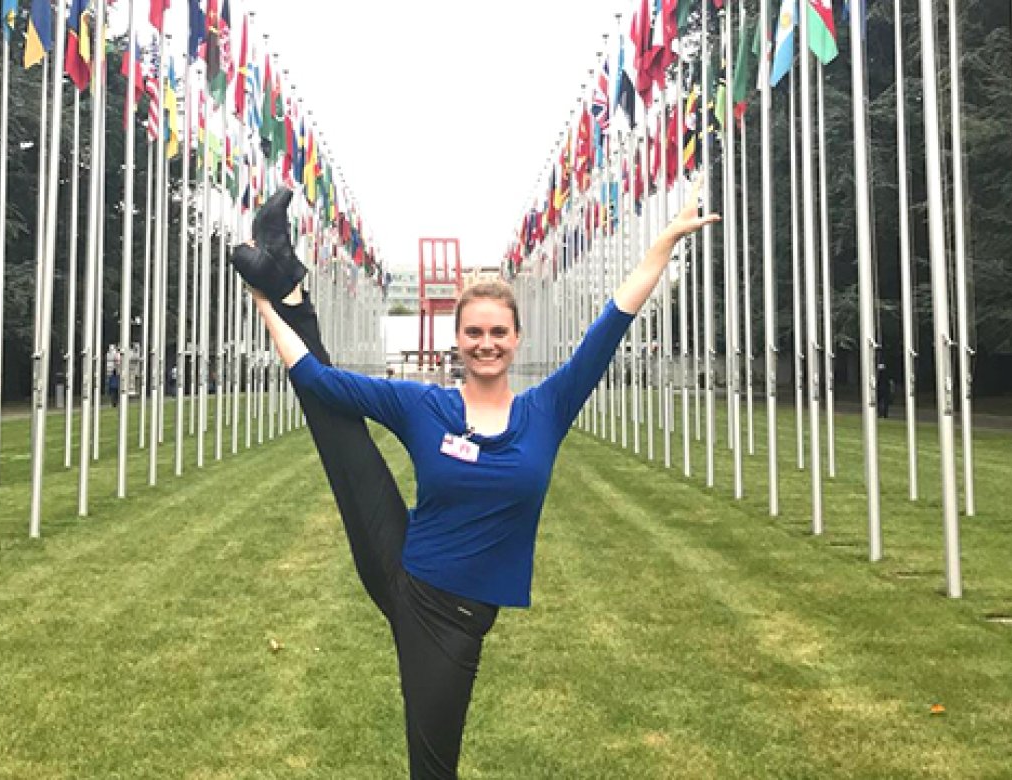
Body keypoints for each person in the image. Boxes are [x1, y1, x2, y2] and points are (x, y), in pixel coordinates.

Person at [229, 185, 718, 780]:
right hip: (404, 566)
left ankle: (285, 283)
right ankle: (286, 284)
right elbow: (319, 381)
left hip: (450, 620)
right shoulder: (423, 407)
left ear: (516, 340)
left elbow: (611, 324)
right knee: (341, 435)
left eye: (498, 333)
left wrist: (662, 244)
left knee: (433, 768)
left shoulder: (548, 409)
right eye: (474, 333)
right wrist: (263, 301)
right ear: (457, 340)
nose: (486, 344)